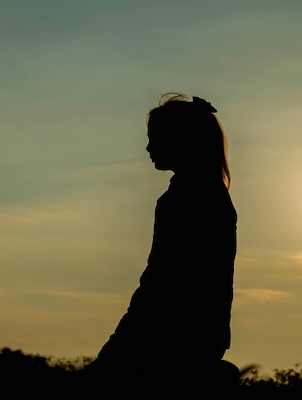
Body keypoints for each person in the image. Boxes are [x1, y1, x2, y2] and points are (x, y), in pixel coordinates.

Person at [84, 93, 238, 397]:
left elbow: (162, 281)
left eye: (156, 138)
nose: (148, 147)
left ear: (181, 140)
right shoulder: (208, 194)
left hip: (169, 335)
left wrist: (121, 342)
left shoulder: (186, 199)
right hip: (198, 334)